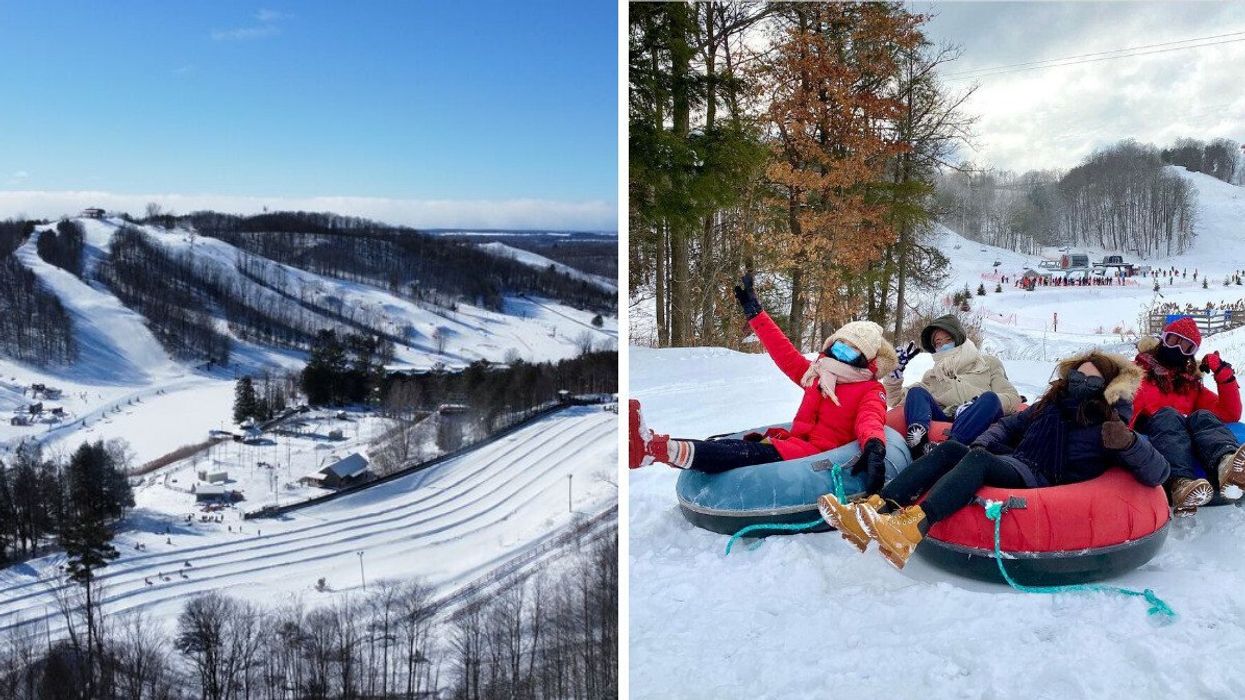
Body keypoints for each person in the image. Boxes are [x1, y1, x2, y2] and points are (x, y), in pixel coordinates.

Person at [818, 350, 1169, 568]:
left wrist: (1128, 443)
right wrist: (982, 441)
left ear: (1107, 387)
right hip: (1020, 461)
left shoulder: (1110, 422)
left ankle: (912, 527)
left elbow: (1158, 471)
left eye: (1092, 380)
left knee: (980, 461)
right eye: (1078, 375)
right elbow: (1008, 425)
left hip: (1047, 479)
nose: (1080, 383)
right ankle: (877, 507)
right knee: (956, 449)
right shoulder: (1050, 406)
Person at [629, 275, 896, 490]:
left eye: (850, 352)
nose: (840, 355)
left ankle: (658, 449)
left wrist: (874, 445)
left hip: (816, 457)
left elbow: (870, 419)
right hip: (793, 444)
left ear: (865, 360)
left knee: (740, 454)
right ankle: (652, 446)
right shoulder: (817, 374)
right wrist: (756, 314)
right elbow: (784, 353)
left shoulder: (870, 389)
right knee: (729, 446)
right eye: (838, 346)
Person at [1129, 317, 1245, 511]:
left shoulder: (1189, 384)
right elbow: (1122, 409)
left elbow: (1229, 413)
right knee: (1168, 415)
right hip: (1153, 430)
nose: (1177, 350)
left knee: (1203, 416)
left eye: (1187, 347)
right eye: (1173, 341)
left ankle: (1227, 465)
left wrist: (1223, 374)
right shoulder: (1136, 374)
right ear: (1163, 340)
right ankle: (1179, 483)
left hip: (1181, 427)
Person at [883, 315, 1021, 457]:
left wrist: (976, 403)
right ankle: (919, 439)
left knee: (990, 398)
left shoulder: (988, 364)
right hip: (945, 415)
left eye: (949, 340)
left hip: (977, 416)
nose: (943, 345)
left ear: (959, 339)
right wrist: (895, 373)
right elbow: (896, 399)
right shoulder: (933, 375)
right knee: (916, 392)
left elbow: (1011, 397)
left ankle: (950, 446)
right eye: (938, 342)